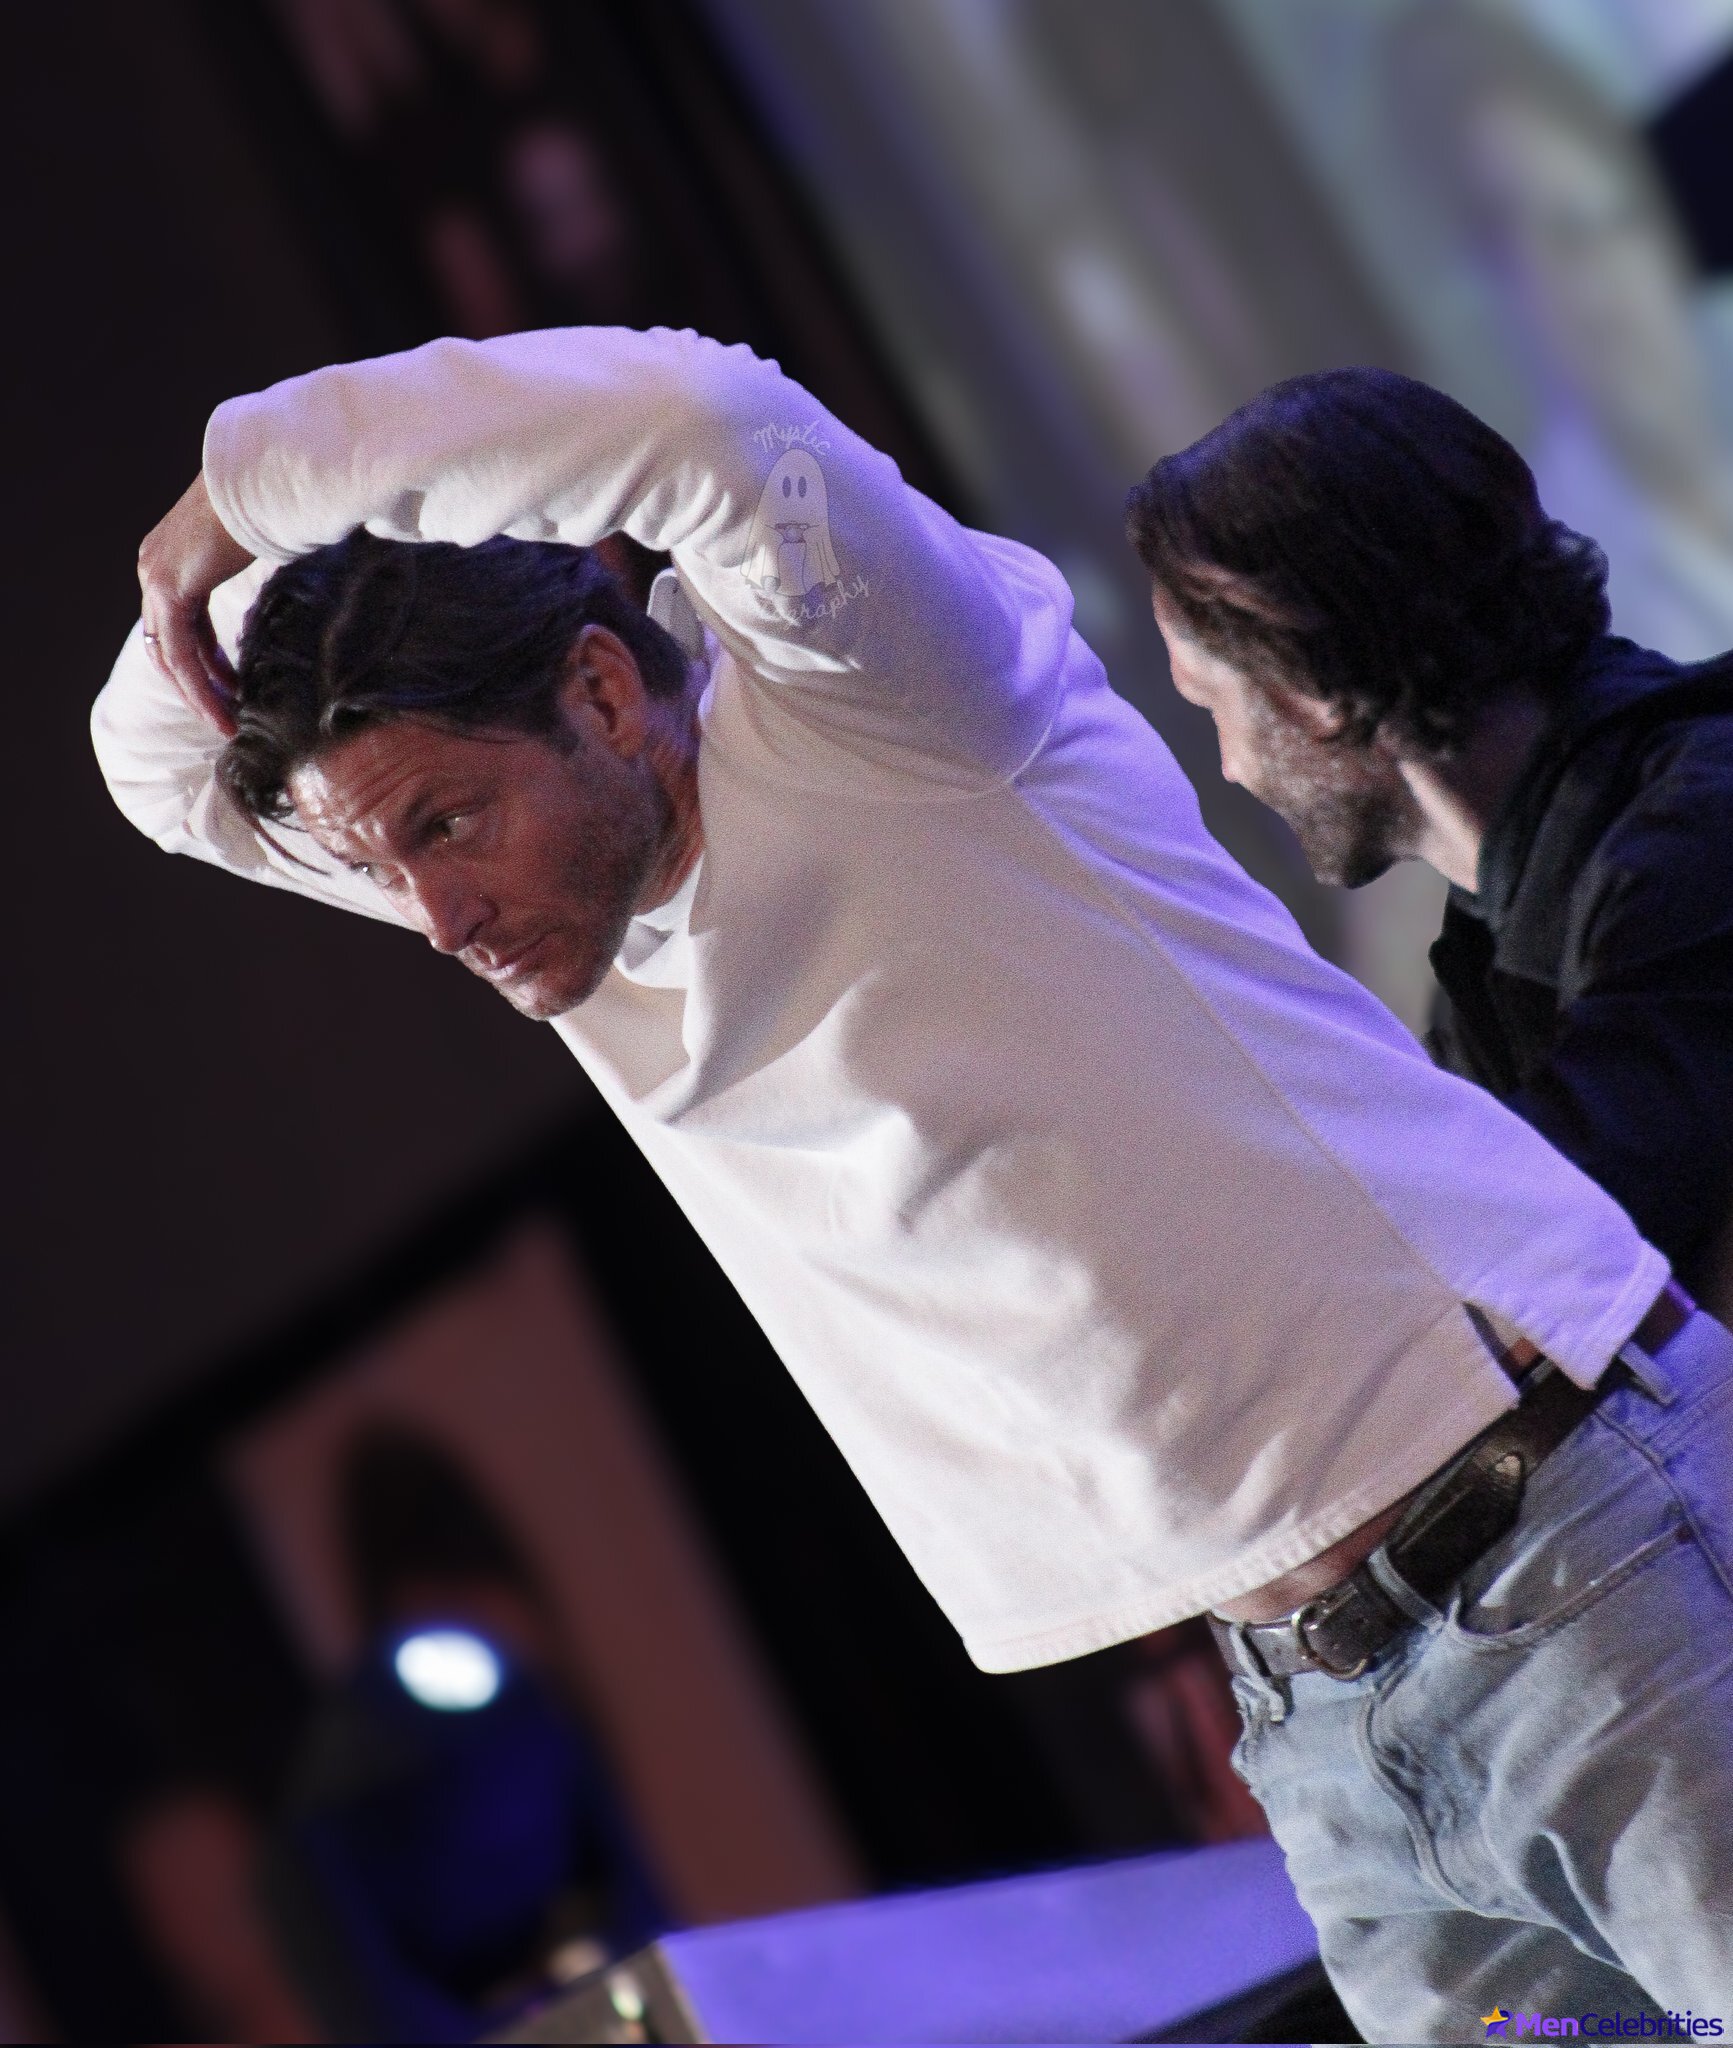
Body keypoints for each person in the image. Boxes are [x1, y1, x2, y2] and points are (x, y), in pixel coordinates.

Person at [101, 325, 1722, 2039]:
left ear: (600, 696)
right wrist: (231, 596)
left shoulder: (873, 700)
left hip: (1568, 1556)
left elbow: (703, 417)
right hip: (1322, 1730)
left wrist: (249, 486)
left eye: (446, 826)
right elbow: (152, 772)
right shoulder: (551, 916)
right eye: (381, 863)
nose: (435, 918)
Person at [1128, 363, 1733, 1310]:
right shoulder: (1485, 963)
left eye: (1214, 706)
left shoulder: (1703, 825)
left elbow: (1559, 1248)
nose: (1229, 767)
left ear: (1309, 693)